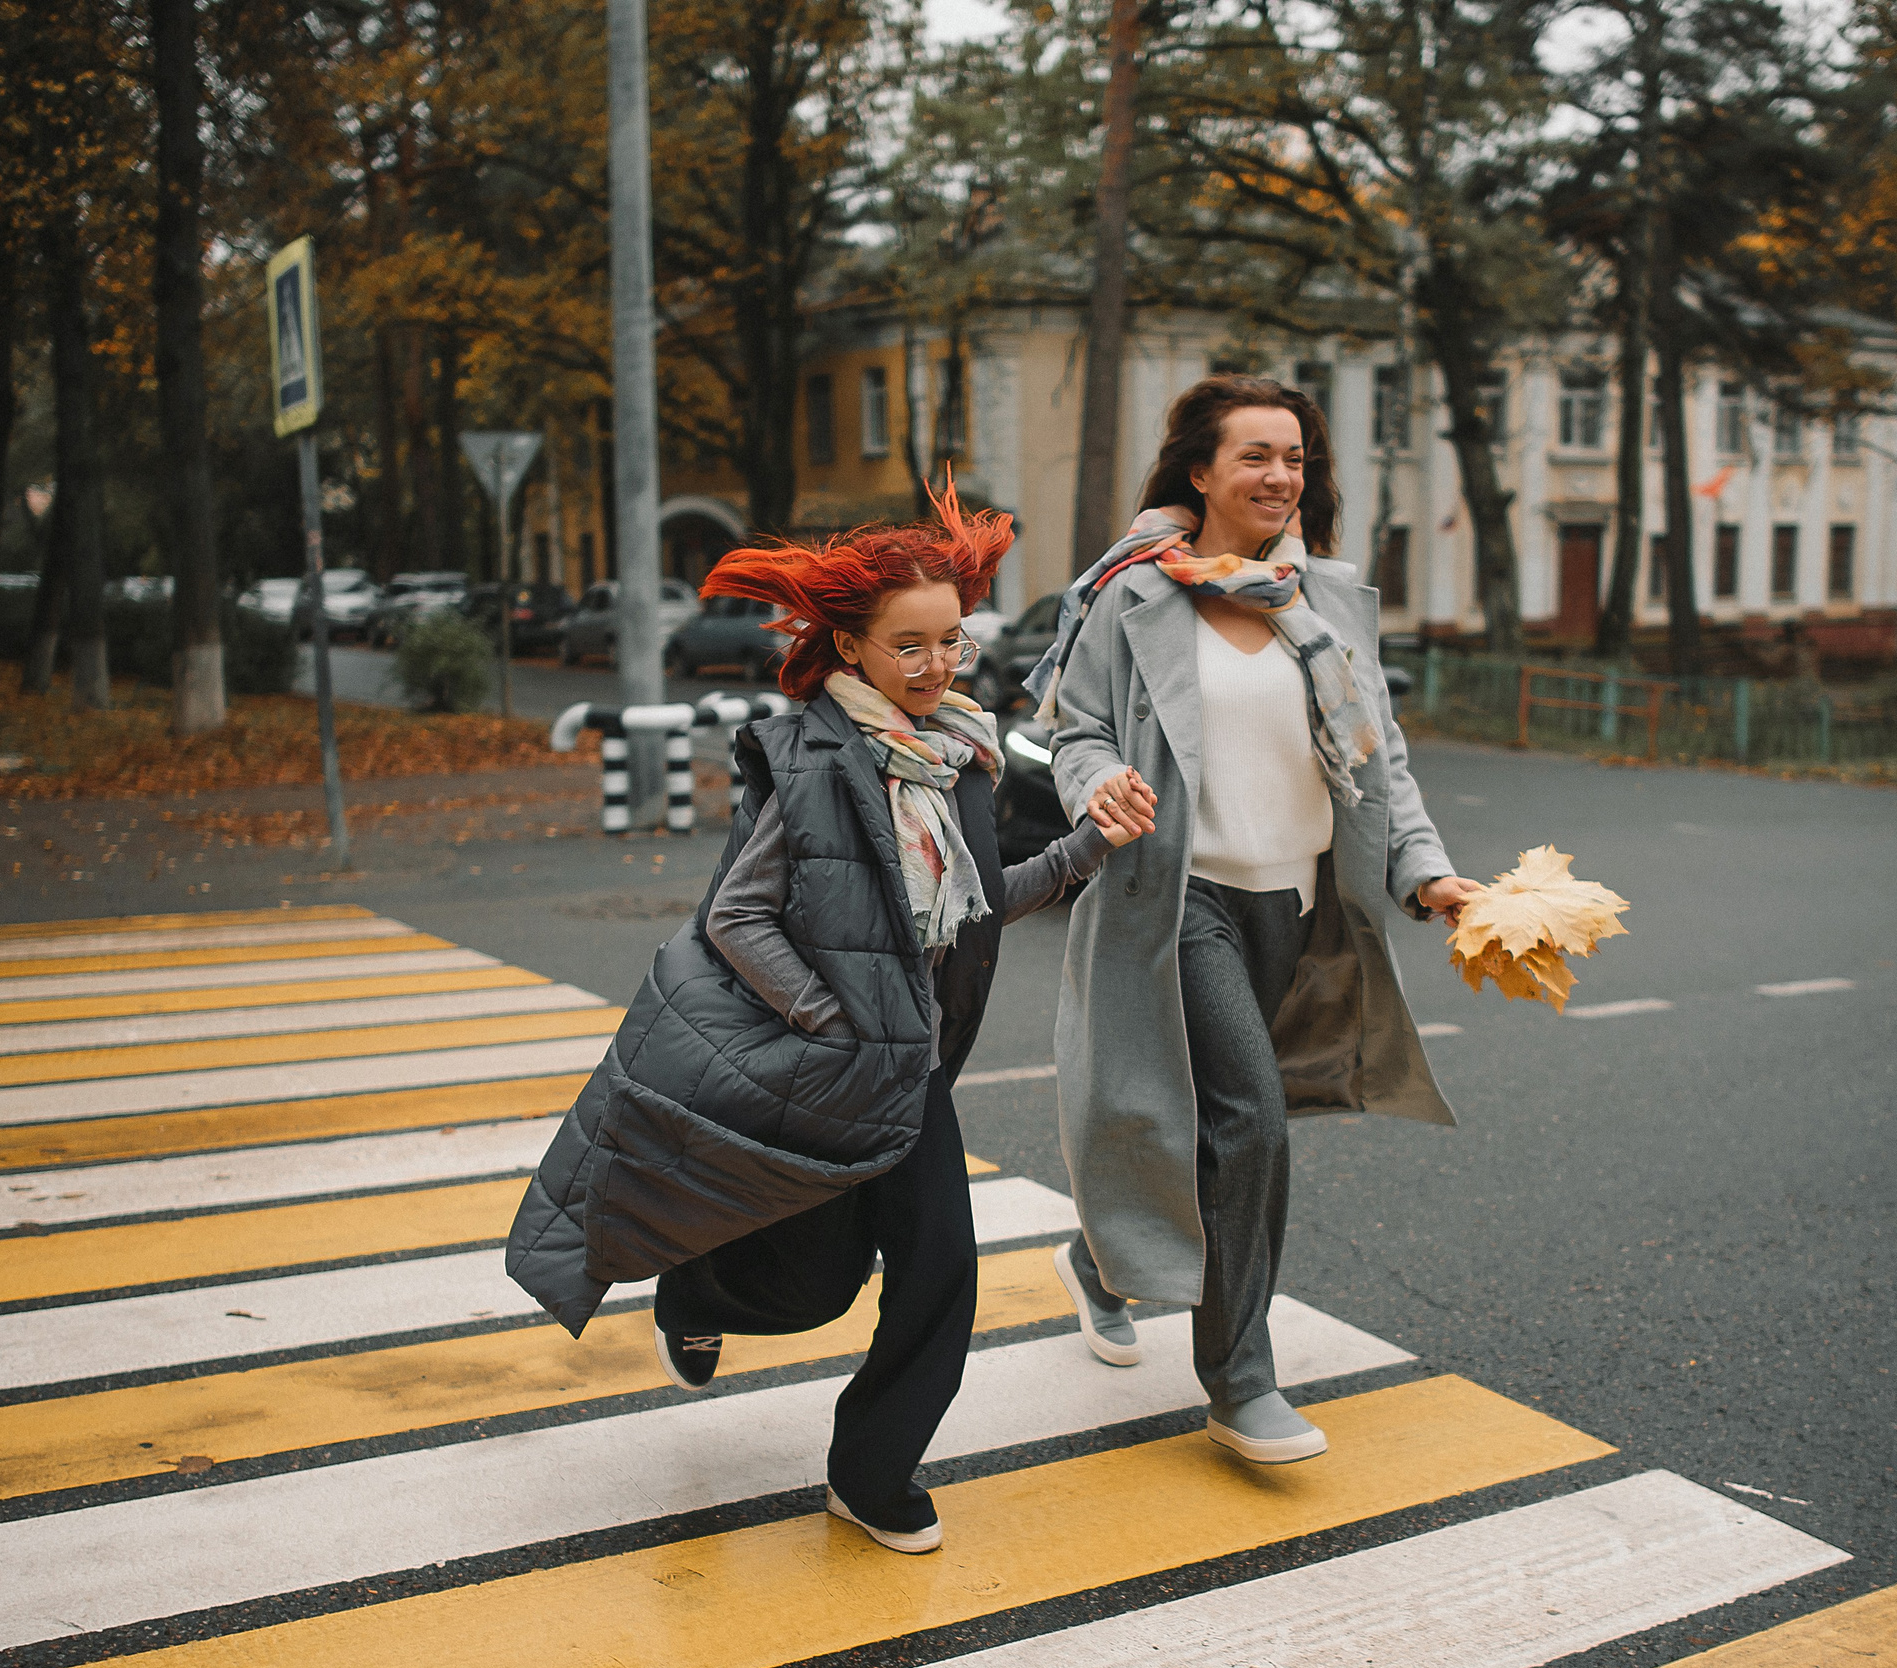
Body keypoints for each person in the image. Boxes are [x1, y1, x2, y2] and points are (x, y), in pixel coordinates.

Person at [506, 487, 1156, 1555]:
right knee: (811, 1287)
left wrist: (1090, 842)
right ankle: (694, 1290)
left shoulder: (956, 752)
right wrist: (829, 1017)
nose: (937, 663)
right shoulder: (810, 760)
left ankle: (870, 1470)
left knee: (943, 1265)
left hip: (910, 1074)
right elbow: (737, 914)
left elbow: (977, 900)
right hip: (834, 1066)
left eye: (951, 639)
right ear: (848, 645)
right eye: (909, 644)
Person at [1024, 373, 1481, 1466]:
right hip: (1182, 897)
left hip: (1306, 902)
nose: (1280, 477)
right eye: (1255, 457)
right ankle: (1239, 1380)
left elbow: (1382, 758)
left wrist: (1425, 872)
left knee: (1212, 1116)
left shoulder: (1325, 600)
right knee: (1252, 1120)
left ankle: (1099, 1260)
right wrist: (1095, 784)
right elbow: (1073, 727)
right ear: (1201, 470)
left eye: (1294, 458)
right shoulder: (1133, 594)